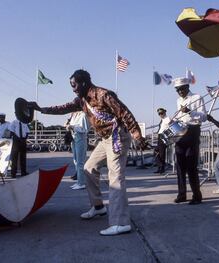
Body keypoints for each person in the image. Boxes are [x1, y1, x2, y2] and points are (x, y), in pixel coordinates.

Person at [30, 69, 147, 236]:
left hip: (117, 137)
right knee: (88, 168)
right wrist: (40, 109)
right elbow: (64, 108)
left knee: (115, 179)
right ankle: (98, 207)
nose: (73, 89)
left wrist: (137, 135)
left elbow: (124, 113)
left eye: (74, 85)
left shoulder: (103, 95)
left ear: (83, 83)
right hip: (104, 139)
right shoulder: (82, 100)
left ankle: (121, 223)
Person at [173, 75, 206, 205]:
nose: (180, 92)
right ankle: (182, 194)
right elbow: (181, 118)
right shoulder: (178, 100)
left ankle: (196, 195)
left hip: (192, 131)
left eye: (182, 89)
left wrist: (190, 112)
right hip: (180, 131)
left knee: (191, 166)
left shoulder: (197, 97)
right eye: (177, 90)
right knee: (180, 165)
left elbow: (204, 117)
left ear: (187, 86)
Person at [67, 111, 90, 190]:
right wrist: (68, 126)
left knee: (80, 162)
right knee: (75, 161)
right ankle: (79, 181)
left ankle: (81, 183)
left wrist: (72, 127)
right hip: (74, 138)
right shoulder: (72, 115)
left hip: (81, 139)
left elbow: (85, 129)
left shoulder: (83, 115)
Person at [154, 108, 170, 174]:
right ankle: (160, 167)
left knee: (162, 153)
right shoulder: (162, 120)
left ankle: (162, 168)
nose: (160, 115)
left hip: (164, 136)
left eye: (161, 113)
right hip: (160, 136)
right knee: (156, 152)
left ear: (165, 112)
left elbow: (170, 127)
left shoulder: (167, 119)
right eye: (159, 114)